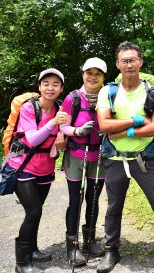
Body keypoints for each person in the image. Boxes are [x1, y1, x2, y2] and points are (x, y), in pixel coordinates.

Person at [96, 42, 154, 273]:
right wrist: (136, 121)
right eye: (124, 60)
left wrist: (123, 130)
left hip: (144, 159)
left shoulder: (152, 91)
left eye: (133, 59)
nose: (129, 64)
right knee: (113, 207)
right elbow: (103, 124)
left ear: (140, 62)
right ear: (117, 64)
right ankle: (110, 250)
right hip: (115, 159)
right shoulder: (108, 91)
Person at [8, 68, 67, 273]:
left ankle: (32, 250)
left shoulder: (60, 108)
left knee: (36, 210)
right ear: (39, 87)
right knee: (34, 210)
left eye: (55, 84)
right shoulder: (29, 108)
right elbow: (32, 139)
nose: (50, 88)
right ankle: (21, 262)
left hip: (45, 167)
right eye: (46, 83)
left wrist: (61, 145)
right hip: (22, 166)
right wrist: (53, 123)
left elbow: (62, 138)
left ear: (61, 89)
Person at [58, 58, 108, 266]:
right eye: (89, 72)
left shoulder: (109, 96)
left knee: (94, 199)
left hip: (100, 156)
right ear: (83, 74)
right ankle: (73, 246)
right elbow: (63, 127)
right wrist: (77, 131)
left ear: (104, 77)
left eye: (97, 73)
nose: (92, 77)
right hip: (77, 155)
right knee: (75, 201)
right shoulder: (73, 98)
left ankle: (89, 241)